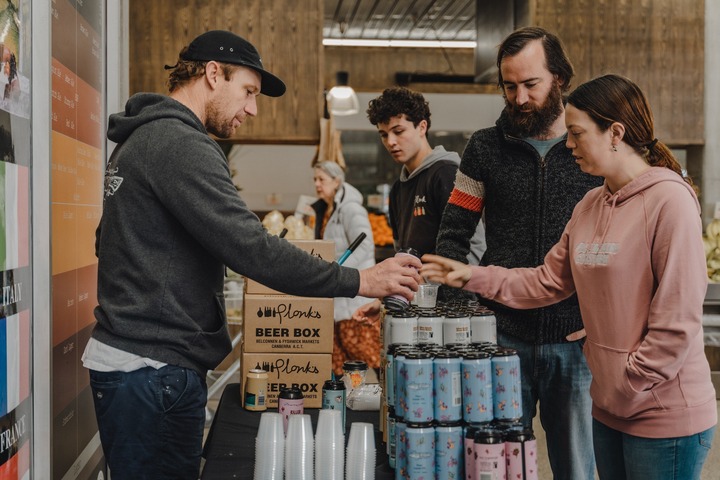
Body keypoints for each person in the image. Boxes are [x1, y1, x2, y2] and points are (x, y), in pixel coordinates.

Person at [81, 30, 421, 480]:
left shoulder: (139, 140)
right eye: (248, 92)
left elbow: (106, 240)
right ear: (213, 73)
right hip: (153, 369)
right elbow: (253, 249)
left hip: (134, 364)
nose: (252, 109)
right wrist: (362, 281)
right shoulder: (180, 144)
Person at [423, 73, 717, 480]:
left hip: (663, 413)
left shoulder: (670, 202)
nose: (570, 144)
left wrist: (628, 385)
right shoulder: (591, 204)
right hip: (609, 407)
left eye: (577, 134)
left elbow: (677, 323)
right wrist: (469, 274)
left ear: (616, 132)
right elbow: (546, 281)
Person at [434, 26, 603, 479]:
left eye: (531, 84)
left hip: (576, 341)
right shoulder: (484, 148)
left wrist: (601, 319)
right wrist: (464, 314)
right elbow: (453, 232)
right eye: (510, 86)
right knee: (496, 466)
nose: (520, 98)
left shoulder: (590, 147)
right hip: (500, 337)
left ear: (560, 78)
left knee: (578, 468)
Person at [354, 86, 486, 321]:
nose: (391, 142)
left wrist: (434, 287)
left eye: (398, 131)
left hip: (454, 314)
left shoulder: (446, 174)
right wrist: (385, 299)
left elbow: (474, 249)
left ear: (422, 127)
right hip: (417, 312)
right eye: (384, 135)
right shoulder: (397, 190)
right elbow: (403, 264)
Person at [310, 161, 381, 373]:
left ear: (337, 181)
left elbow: (366, 244)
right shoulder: (327, 209)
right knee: (338, 356)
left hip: (355, 295)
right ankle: (344, 401)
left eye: (321, 179)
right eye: (315, 180)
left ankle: (386, 398)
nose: (317, 184)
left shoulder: (350, 208)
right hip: (337, 293)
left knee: (366, 352)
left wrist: (339, 272)